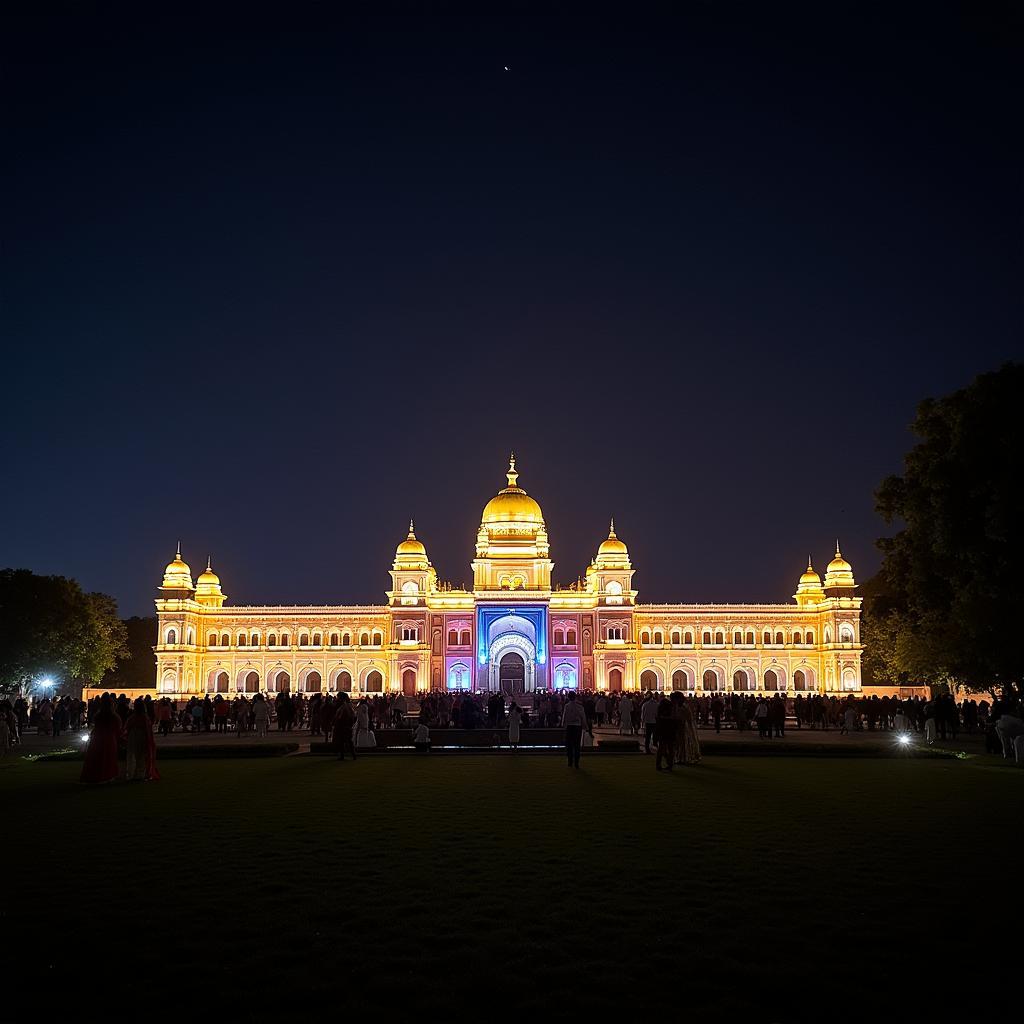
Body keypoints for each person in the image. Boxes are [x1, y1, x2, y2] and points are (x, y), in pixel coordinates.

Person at [80, 694, 123, 784]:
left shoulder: (98, 715)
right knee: (107, 757)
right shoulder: (114, 716)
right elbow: (118, 728)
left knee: (96, 757)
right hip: (109, 738)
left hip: (97, 737)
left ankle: (93, 775)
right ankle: (107, 775)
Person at [124, 697, 160, 781]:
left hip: (133, 736)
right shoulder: (145, 717)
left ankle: (131, 773)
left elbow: (127, 727)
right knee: (141, 756)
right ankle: (140, 774)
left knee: (132, 755)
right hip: (142, 736)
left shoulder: (132, 717)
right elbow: (148, 729)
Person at [561, 692, 587, 769]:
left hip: (569, 727)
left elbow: (565, 716)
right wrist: (585, 727)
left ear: (568, 697)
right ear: (575, 697)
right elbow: (583, 717)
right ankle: (576, 763)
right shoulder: (580, 707)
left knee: (569, 745)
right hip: (577, 727)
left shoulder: (567, 706)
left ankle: (570, 762)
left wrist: (563, 725)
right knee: (577, 745)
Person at [332, 693, 356, 761]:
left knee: (345, 741)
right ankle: (350, 755)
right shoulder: (346, 705)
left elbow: (345, 716)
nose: (337, 699)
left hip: (343, 726)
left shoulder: (345, 706)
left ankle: (350, 755)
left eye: (338, 698)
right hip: (344, 726)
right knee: (344, 741)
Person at [654, 698, 675, 771]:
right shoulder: (670, 715)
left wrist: (655, 738)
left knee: (661, 750)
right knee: (670, 749)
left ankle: (659, 765)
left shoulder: (660, 717)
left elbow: (657, 727)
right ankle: (670, 764)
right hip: (669, 734)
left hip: (663, 734)